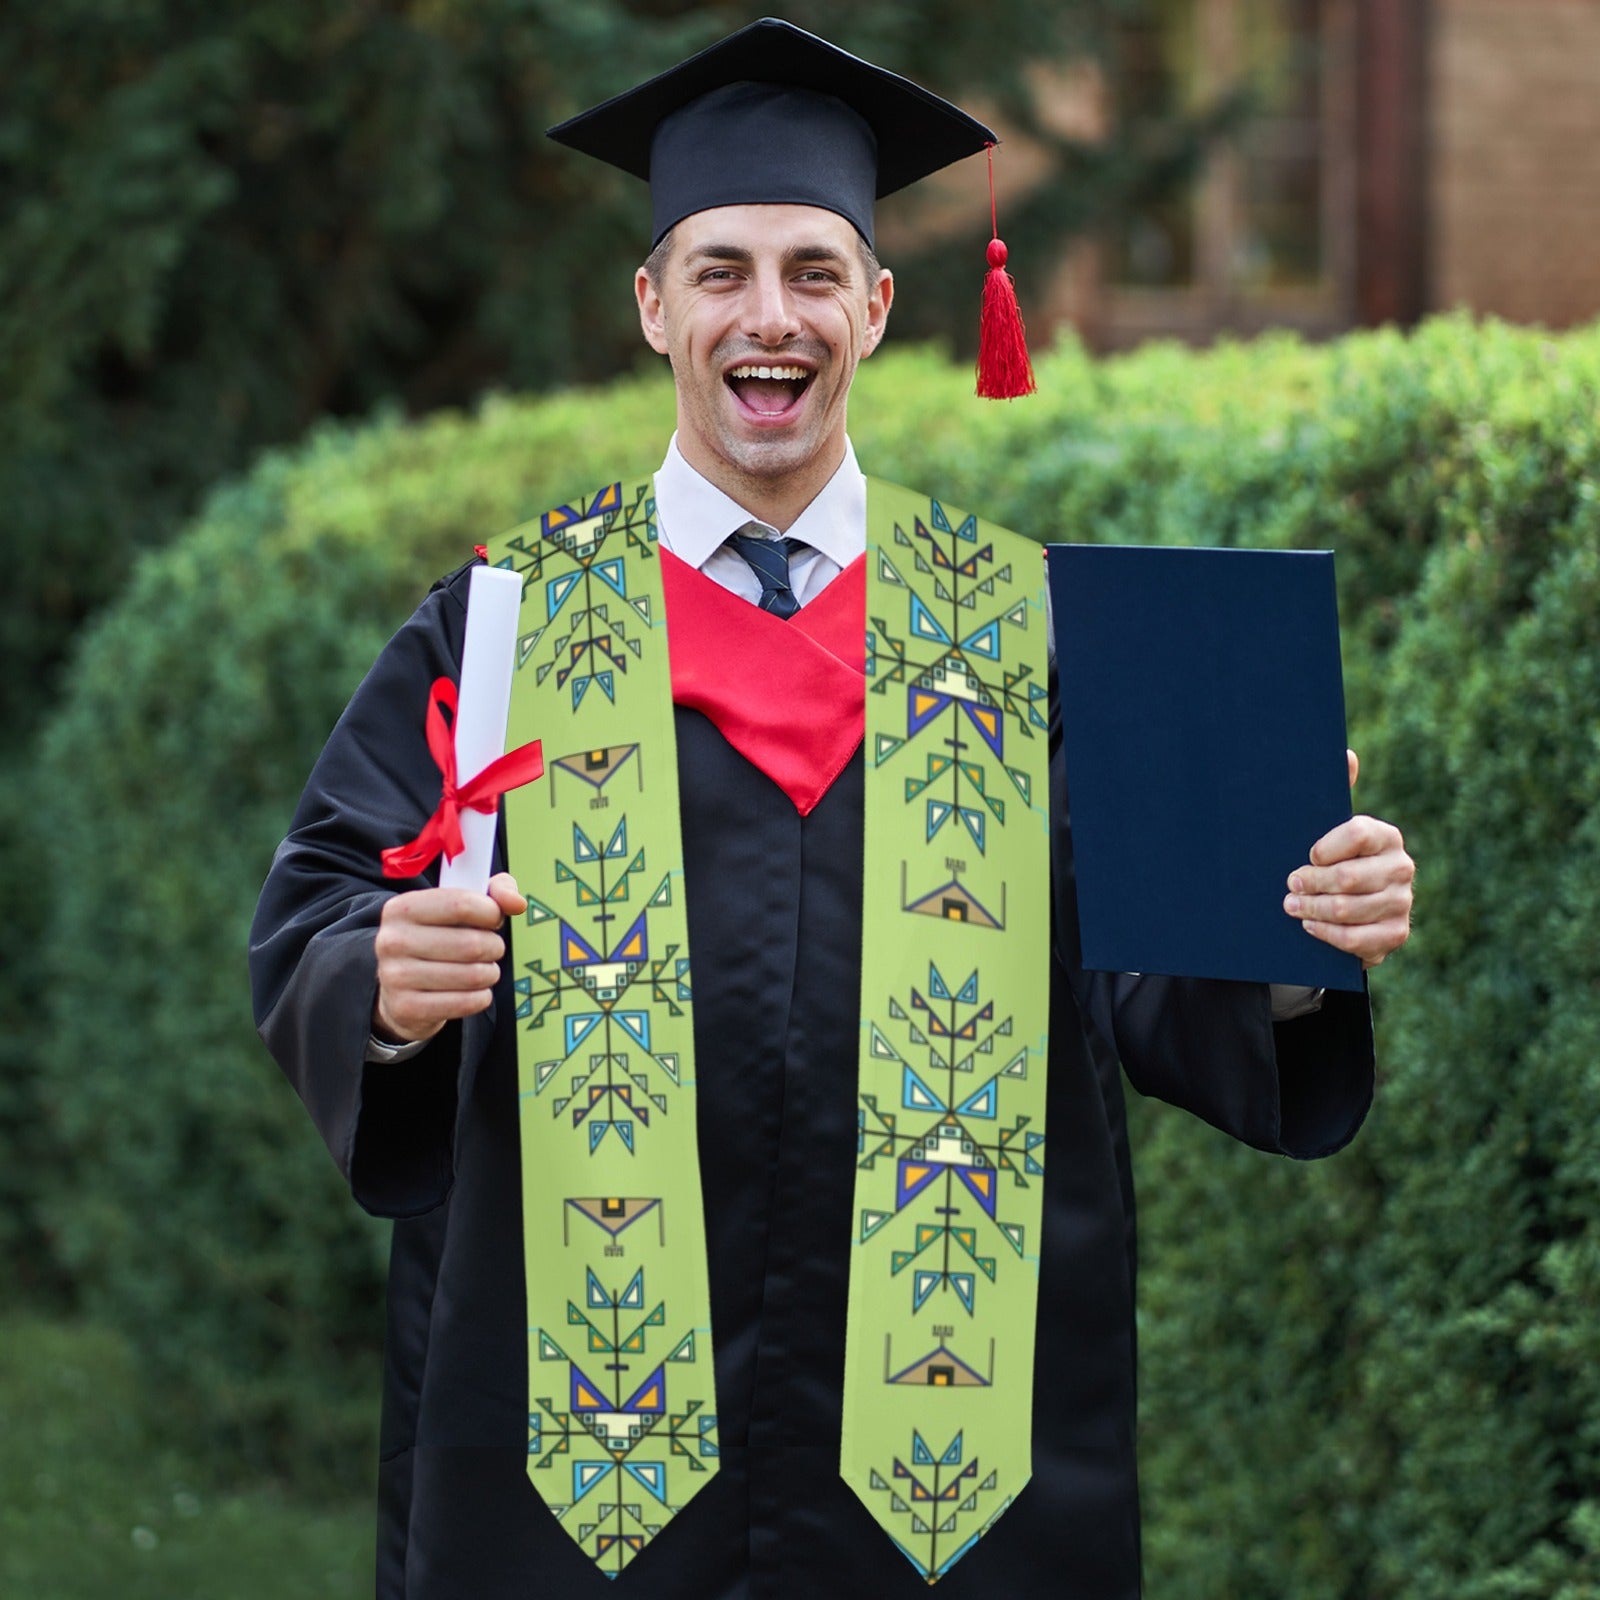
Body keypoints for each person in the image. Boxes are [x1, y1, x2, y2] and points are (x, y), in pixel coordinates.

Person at [249, 19, 1414, 1600]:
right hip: (583, 1470)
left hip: (956, 1466)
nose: (768, 316)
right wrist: (381, 984)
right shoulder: (510, 628)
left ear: (876, 305)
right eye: (721, 270)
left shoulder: (1032, 629)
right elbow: (325, 902)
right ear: (654, 305)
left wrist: (1292, 934)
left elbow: (1149, 979)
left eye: (812, 270)